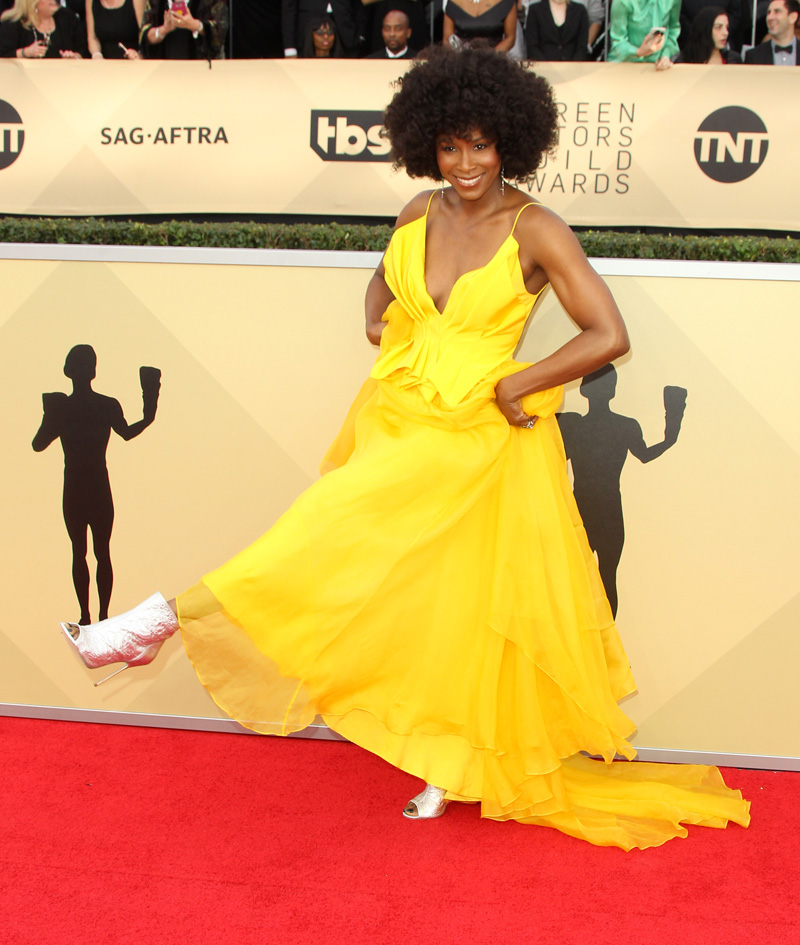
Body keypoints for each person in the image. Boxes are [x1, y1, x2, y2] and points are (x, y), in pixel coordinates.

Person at [60, 46, 750, 850]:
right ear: (427, 142)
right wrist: (375, 316)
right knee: (434, 600)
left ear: (511, 144)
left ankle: (156, 620)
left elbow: (609, 334)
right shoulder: (418, 212)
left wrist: (516, 383)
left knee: (332, 539)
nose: (465, 163)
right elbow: (382, 286)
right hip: (398, 412)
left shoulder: (536, 228)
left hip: (474, 441)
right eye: (450, 145)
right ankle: (444, 759)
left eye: (482, 145)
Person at [139, 0, 227, 59]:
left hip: (201, 71)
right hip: (164, 71)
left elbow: (221, 31)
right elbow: (144, 35)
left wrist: (195, 25)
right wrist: (164, 29)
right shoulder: (156, 2)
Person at [607, 0, 680, 69]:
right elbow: (617, 43)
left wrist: (665, 55)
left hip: (658, 65)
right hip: (625, 64)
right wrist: (639, 52)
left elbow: (673, 30)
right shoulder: (622, 2)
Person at [0, 0, 87, 57]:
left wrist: (75, 56)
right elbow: (3, 54)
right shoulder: (14, 24)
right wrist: (25, 52)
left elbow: (83, 50)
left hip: (63, 79)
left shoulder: (67, 17)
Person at [525, 0, 589, 60]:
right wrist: (547, 68)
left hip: (574, 68)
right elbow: (532, 46)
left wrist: (572, 68)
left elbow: (582, 47)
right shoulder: (535, 10)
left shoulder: (580, 10)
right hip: (542, 67)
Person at [442, 0, 517, 50]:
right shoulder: (453, 2)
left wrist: (492, 56)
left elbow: (510, 38)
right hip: (462, 61)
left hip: (494, 62)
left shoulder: (506, 2)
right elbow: (447, 39)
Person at [675, 5, 741, 60]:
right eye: (718, 27)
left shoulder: (733, 59)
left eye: (727, 27)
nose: (726, 33)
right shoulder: (683, 60)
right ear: (705, 29)